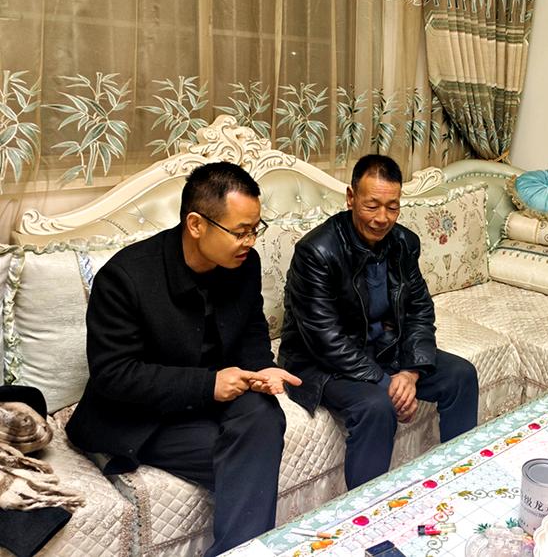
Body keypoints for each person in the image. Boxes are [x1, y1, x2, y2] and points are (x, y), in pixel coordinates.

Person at [66, 162, 301, 556]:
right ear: (196, 224)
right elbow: (114, 374)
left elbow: (250, 328)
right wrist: (209, 385)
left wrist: (262, 369)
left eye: (255, 229)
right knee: (251, 456)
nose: (250, 241)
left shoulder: (243, 265)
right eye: (240, 231)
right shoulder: (125, 277)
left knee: (264, 416)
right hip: (144, 414)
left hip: (212, 400)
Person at [279, 154, 479, 489]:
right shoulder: (316, 251)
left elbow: (419, 310)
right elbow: (324, 338)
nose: (382, 218)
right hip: (320, 362)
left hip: (383, 348)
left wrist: (411, 372)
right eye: (371, 205)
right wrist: (388, 384)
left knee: (461, 375)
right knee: (377, 405)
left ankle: (458, 482)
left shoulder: (403, 243)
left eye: (392, 207)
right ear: (350, 197)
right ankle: (367, 508)